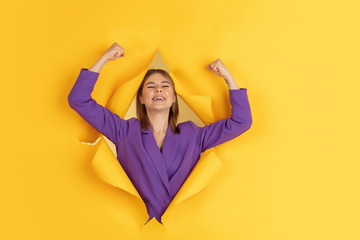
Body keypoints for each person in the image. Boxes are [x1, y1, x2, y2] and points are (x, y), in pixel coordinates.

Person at [68, 42, 252, 225]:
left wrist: (227, 77)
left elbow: (241, 121)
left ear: (173, 97)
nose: (158, 89)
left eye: (165, 86)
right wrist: (104, 58)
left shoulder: (193, 135)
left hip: (184, 229)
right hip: (134, 229)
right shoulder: (124, 131)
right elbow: (79, 100)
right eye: (150, 86)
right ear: (141, 98)